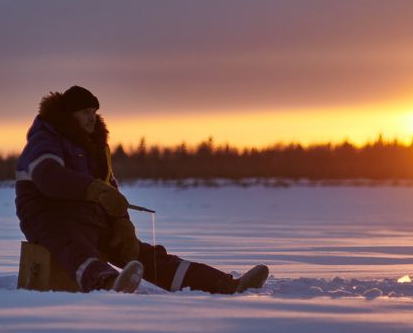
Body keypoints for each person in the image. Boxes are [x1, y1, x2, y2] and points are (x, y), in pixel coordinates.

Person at [15, 85, 269, 293]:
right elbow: (48, 176)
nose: (91, 116)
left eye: (93, 111)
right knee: (75, 247)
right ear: (68, 115)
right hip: (49, 218)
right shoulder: (46, 138)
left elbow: (109, 190)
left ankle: (223, 284)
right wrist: (95, 190)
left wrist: (121, 222)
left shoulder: (94, 148)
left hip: (89, 219)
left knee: (142, 253)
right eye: (84, 112)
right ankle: (109, 283)